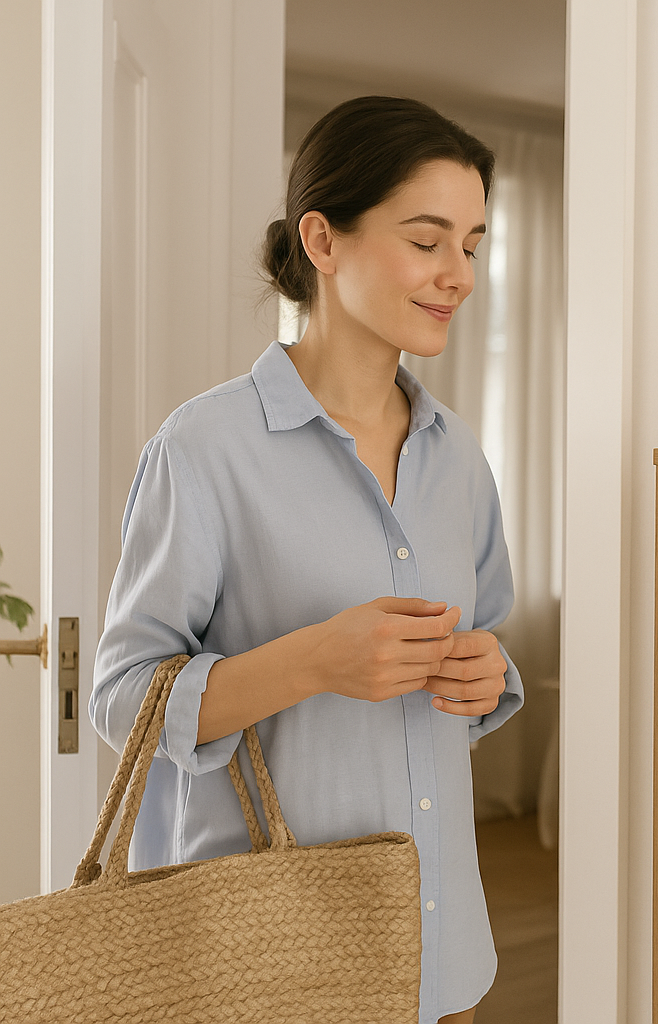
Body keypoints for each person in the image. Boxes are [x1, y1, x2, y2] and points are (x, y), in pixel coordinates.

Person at [90, 95, 523, 1024]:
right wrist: (314, 662)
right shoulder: (204, 449)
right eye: (427, 240)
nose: (459, 274)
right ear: (322, 241)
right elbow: (123, 698)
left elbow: (481, 643)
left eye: (473, 246)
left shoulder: (459, 459)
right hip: (267, 960)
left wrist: (486, 674)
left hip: (442, 954)